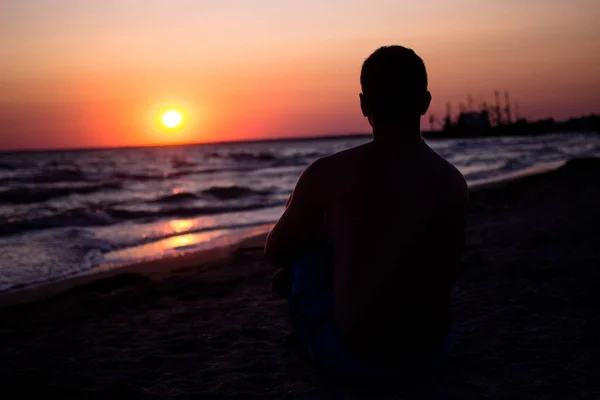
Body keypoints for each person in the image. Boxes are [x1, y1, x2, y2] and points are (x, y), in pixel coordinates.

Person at [265, 45, 469, 380]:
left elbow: (275, 251)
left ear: (363, 105)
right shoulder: (453, 181)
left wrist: (313, 217)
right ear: (426, 102)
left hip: (354, 357)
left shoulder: (329, 173)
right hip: (433, 352)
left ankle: (309, 334)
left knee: (307, 251)